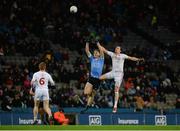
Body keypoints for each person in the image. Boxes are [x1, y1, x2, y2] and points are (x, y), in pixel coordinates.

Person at [98, 45, 144, 113]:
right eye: (116, 48)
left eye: (118, 48)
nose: (116, 49)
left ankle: (115, 106)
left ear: (120, 50)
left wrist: (138, 59)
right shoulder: (112, 54)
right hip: (113, 72)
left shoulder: (123, 55)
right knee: (99, 78)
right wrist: (98, 44)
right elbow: (104, 50)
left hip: (119, 75)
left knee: (116, 90)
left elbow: (131, 58)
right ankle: (103, 83)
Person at [81, 40, 104, 113]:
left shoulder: (101, 59)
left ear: (99, 54)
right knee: (85, 93)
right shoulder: (92, 59)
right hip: (91, 78)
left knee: (92, 94)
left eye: (96, 52)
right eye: (94, 53)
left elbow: (101, 50)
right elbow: (87, 50)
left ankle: (88, 106)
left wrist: (97, 43)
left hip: (98, 79)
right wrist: (87, 42)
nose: (94, 53)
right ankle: (90, 101)